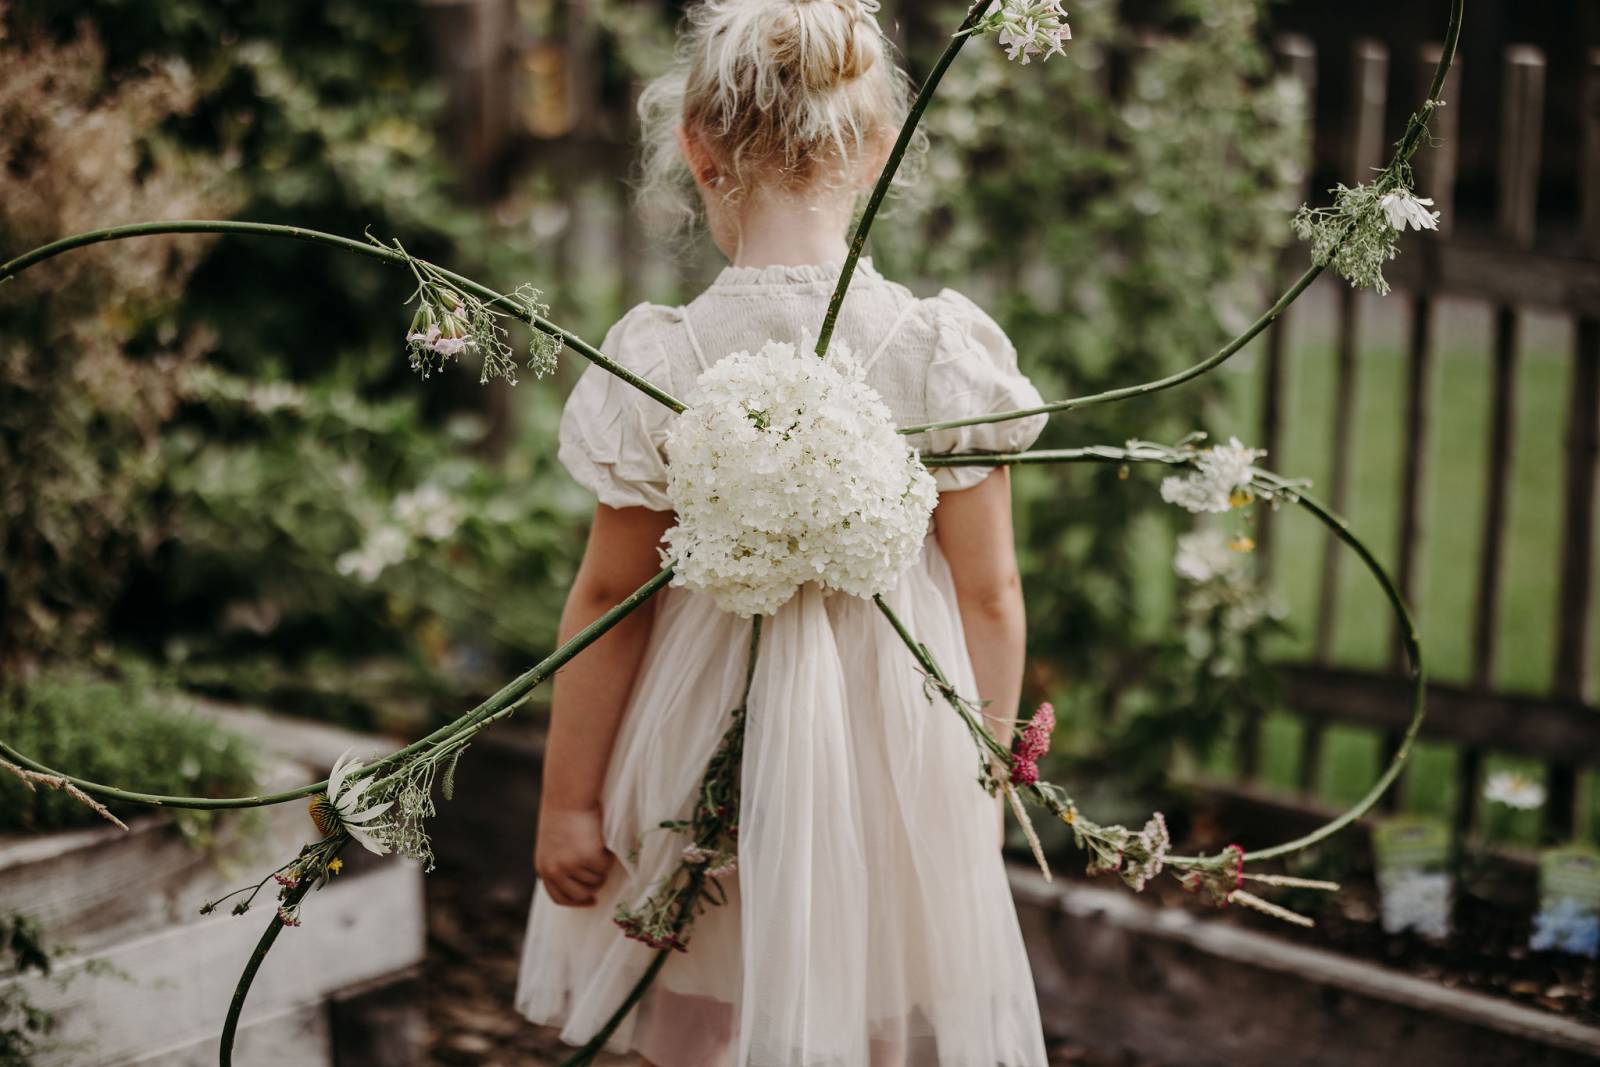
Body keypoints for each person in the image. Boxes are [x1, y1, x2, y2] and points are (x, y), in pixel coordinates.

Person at [515, 1, 1050, 1063]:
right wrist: (979, 774)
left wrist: (569, 803)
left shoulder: (660, 360)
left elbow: (609, 602)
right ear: (880, 148)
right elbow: (988, 592)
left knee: (693, 982)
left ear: (695, 149)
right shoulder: (938, 353)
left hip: (694, 730)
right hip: (893, 752)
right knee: (877, 991)